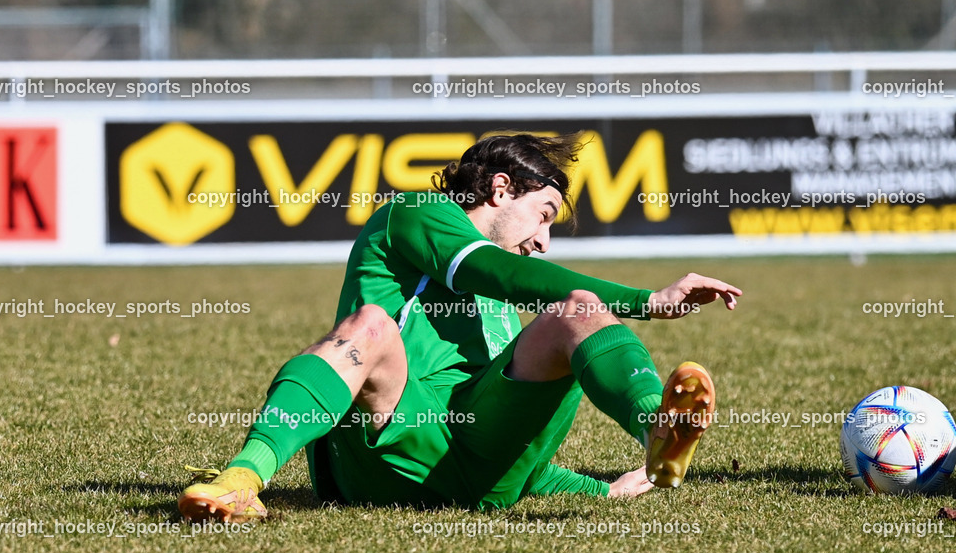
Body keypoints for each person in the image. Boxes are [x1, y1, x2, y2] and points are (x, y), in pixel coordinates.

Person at [178, 132, 741, 521]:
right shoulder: (419, 216)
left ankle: (656, 429)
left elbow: (510, 450)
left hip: (482, 480)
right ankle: (242, 479)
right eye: (543, 215)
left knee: (577, 313)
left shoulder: (499, 313)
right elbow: (496, 270)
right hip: (389, 452)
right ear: (499, 189)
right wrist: (649, 300)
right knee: (372, 325)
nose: (544, 240)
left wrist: (601, 491)